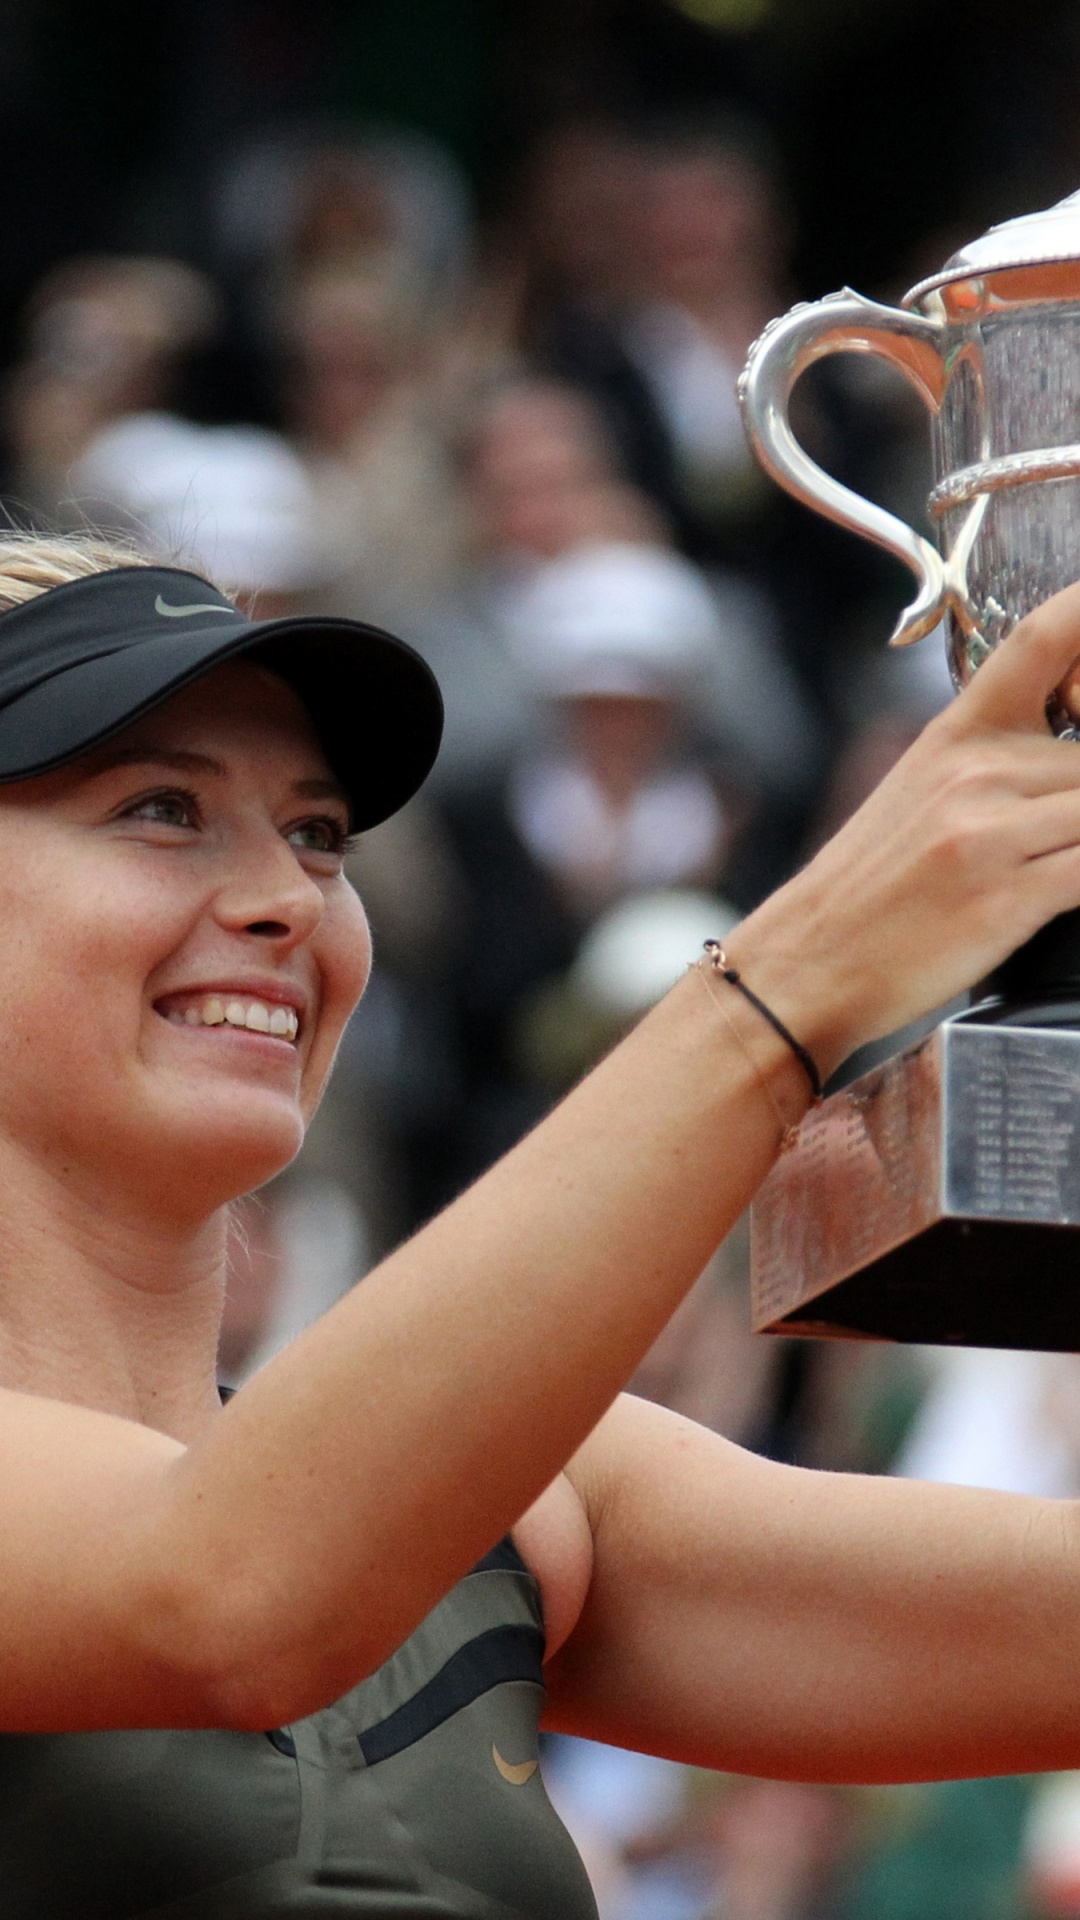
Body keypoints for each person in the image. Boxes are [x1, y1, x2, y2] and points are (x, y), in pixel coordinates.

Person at [3, 532, 1080, 1919]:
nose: (287, 899)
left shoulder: (530, 1504)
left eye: (319, 835)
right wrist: (794, 978)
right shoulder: (367, 1523)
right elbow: (232, 1591)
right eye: (160, 808)